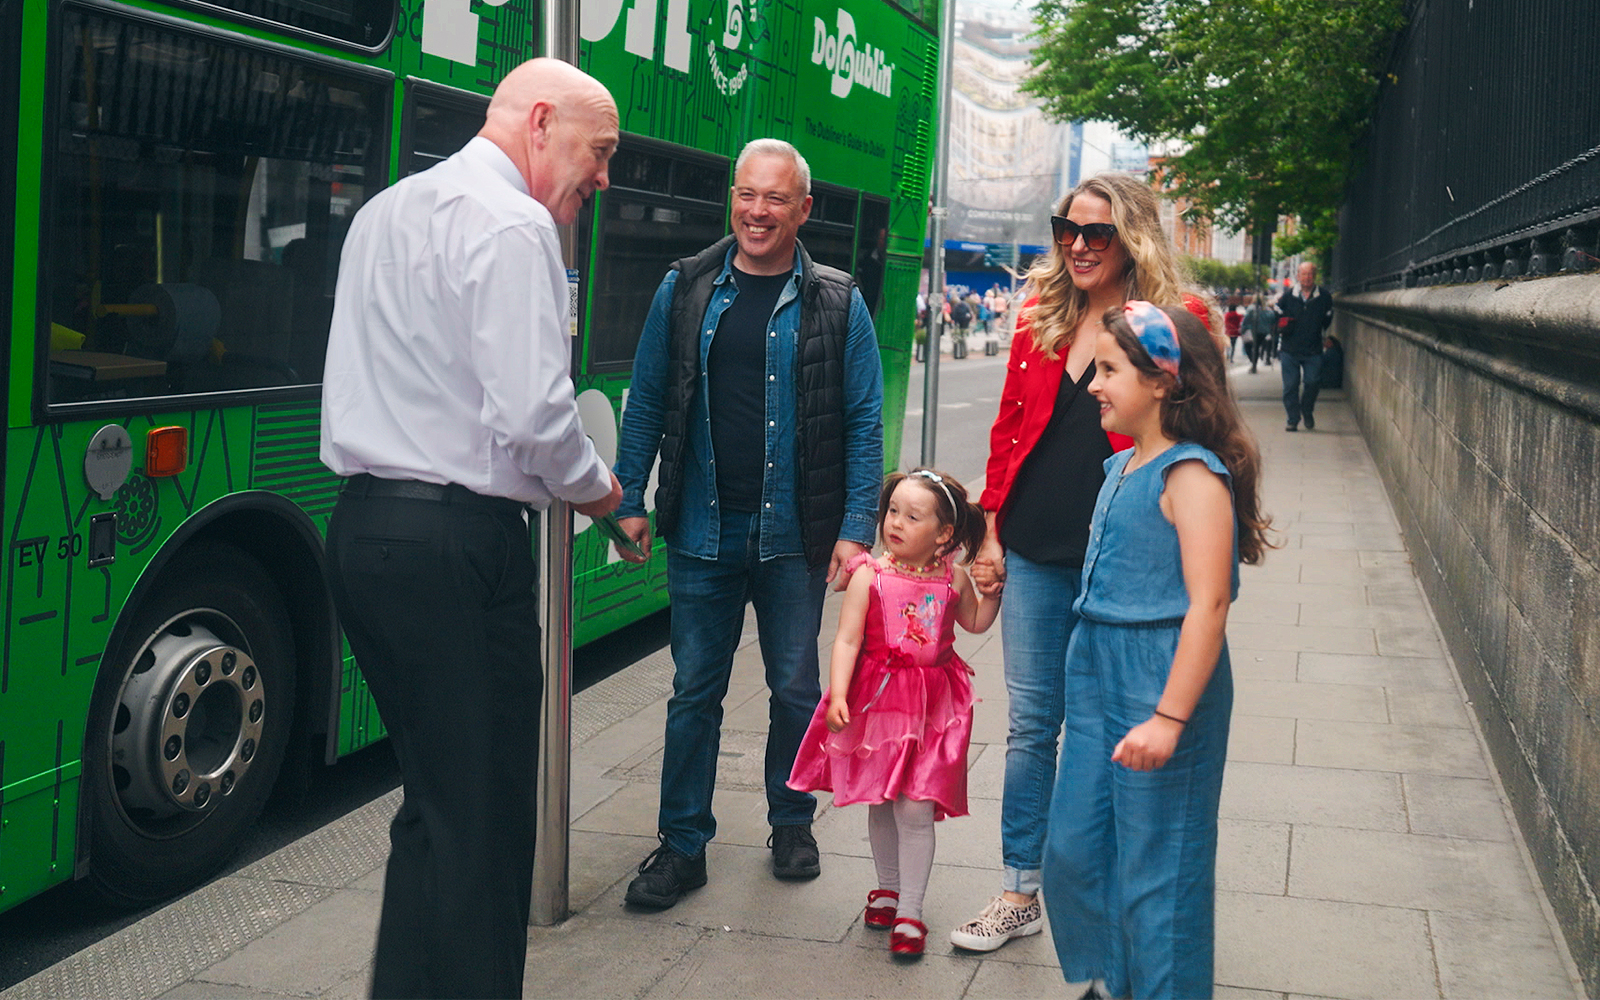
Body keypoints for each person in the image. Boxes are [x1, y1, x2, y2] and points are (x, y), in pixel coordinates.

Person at [319, 58, 623, 999]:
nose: (603, 178)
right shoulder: (515, 222)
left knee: (437, 803)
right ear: (541, 121)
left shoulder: (387, 209)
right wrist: (607, 497)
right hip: (458, 545)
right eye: (599, 151)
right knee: (486, 815)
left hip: (365, 531)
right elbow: (535, 417)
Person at [611, 138, 884, 909]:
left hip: (795, 533)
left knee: (795, 687)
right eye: (746, 195)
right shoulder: (688, 286)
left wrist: (857, 527)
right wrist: (629, 498)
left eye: (774, 199)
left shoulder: (838, 299)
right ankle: (682, 845)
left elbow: (863, 420)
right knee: (694, 688)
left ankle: (791, 822)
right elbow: (649, 395)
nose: (756, 211)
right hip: (702, 528)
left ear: (803, 209)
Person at [953, 172, 1212, 954]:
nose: (1078, 245)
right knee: (1034, 725)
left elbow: (1199, 439)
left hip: (1123, 559)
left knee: (1121, 724)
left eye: (1096, 232)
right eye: (1067, 229)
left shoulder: (1176, 322)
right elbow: (1006, 434)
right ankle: (1019, 891)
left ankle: (1119, 893)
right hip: (1033, 550)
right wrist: (990, 534)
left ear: (1131, 237)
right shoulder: (1041, 316)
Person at [1044, 301, 1271, 1000]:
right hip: (1096, 672)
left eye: (1109, 370)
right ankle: (1115, 978)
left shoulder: (1192, 476)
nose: (1093, 385)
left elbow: (1209, 604)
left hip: (1161, 677)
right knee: (1073, 852)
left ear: (1163, 380)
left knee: (1159, 876)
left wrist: (1170, 717)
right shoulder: (1120, 469)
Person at [788, 469, 999, 957]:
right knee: (882, 799)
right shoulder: (870, 575)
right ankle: (886, 887)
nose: (895, 523)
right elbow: (847, 639)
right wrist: (838, 693)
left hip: (933, 709)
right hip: (878, 703)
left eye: (912, 515)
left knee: (916, 805)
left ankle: (911, 911)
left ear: (944, 534)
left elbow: (975, 621)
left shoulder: (953, 578)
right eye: (892, 512)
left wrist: (995, 591)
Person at [1276, 261, 1333, 430]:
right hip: (1289, 348)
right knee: (1290, 386)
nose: (1306, 278)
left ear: (1314, 276)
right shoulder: (1288, 295)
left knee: (1313, 381)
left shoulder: (1324, 296)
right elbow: (1277, 313)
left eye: (1310, 274)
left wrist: (1320, 332)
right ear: (1298, 276)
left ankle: (1307, 410)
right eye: (1303, 274)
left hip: (1313, 349)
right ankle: (1292, 419)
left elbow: (1328, 318)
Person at [1242, 294, 1275, 374]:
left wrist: (1243, 330)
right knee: (1257, 348)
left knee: (1250, 347)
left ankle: (1254, 364)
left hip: (1254, 331)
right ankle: (1256, 363)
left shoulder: (1251, 309)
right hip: (1265, 332)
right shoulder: (1267, 310)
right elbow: (1272, 320)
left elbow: (1246, 320)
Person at [1223, 297, 1242, 362]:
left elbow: (1225, 323)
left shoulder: (1227, 315)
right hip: (1235, 332)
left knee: (1228, 345)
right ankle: (1231, 358)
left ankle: (1227, 355)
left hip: (1228, 332)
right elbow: (1240, 322)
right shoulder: (1238, 315)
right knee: (1233, 345)